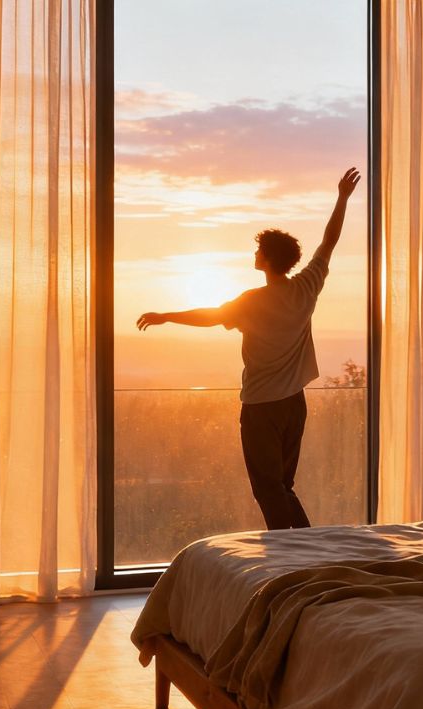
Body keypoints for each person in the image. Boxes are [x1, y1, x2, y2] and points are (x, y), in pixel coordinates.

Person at [136, 167, 361, 530]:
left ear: (268, 258)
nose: (254, 254)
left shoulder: (252, 301)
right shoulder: (306, 287)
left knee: (268, 488)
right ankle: (310, 552)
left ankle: (289, 558)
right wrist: (342, 198)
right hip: (294, 404)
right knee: (283, 486)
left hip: (262, 407)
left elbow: (210, 317)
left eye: (258, 250)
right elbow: (329, 242)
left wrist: (166, 315)